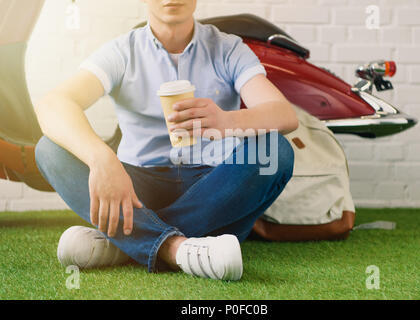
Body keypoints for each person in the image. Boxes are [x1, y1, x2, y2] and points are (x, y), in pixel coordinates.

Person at [33, 0, 298, 281]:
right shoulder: (122, 51)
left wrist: (227, 122)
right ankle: (179, 248)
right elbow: (54, 103)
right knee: (49, 149)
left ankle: (128, 243)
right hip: (137, 188)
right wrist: (102, 158)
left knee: (275, 151)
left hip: (214, 186)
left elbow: (283, 114)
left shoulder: (228, 48)